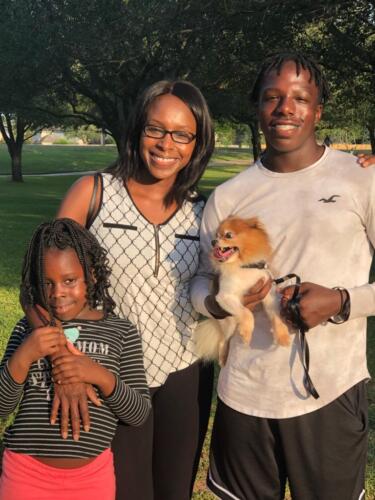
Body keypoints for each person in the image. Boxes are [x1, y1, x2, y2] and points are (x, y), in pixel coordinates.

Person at [191, 52, 375, 500]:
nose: (284, 108)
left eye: (299, 97)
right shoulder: (229, 197)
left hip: (329, 391)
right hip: (245, 394)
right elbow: (197, 281)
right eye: (272, 97)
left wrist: (341, 301)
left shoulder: (360, 179)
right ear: (257, 107)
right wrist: (221, 302)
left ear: (318, 110)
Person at [56, 80, 215, 499]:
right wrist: (67, 365)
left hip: (185, 371)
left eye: (183, 134)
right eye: (155, 129)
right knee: (125, 491)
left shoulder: (205, 210)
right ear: (136, 130)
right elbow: (43, 289)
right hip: (111, 372)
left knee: (174, 491)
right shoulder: (94, 193)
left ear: (197, 143)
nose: (167, 144)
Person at [0, 218, 151, 500]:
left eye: (69, 280)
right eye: (47, 283)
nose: (57, 293)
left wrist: (99, 375)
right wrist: (24, 356)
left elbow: (139, 413)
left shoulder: (120, 332)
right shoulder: (27, 329)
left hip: (92, 478)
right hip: (25, 473)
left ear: (91, 275)